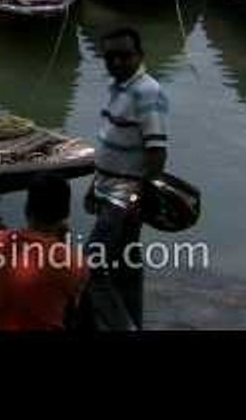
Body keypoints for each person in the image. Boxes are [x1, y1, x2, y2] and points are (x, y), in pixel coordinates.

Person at [82, 26, 169, 331]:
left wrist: (136, 198)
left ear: (140, 55)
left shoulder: (147, 92)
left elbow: (157, 153)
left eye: (124, 55)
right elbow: (111, 142)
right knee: (124, 268)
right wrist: (94, 186)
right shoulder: (118, 88)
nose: (117, 62)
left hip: (123, 198)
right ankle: (133, 322)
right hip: (110, 192)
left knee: (88, 270)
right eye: (110, 57)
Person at [0, 179, 88, 331]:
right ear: (65, 215)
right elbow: (74, 305)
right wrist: (64, 243)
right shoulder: (74, 262)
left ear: (27, 209)